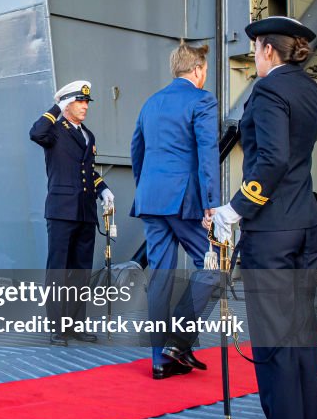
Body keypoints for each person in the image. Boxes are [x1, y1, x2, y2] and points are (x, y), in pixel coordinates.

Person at [210, 15, 317, 419]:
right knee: (300, 329)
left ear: (268, 51)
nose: (253, 56)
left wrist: (234, 210)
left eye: (255, 49)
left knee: (274, 334)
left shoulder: (269, 90)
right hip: (306, 225)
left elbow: (272, 159)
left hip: (273, 230)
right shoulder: (311, 90)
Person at [131, 42, 220, 379]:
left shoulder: (151, 103)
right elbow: (208, 152)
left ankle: (160, 361)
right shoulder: (201, 100)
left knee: (160, 276)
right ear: (197, 70)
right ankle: (179, 341)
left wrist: (146, 191)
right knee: (212, 266)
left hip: (151, 200)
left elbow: (137, 150)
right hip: (184, 200)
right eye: (205, 70)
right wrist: (211, 202)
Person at [30, 81, 114, 346]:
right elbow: (35, 132)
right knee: (58, 270)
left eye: (87, 102)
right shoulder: (54, 130)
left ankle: (76, 325)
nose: (85, 106)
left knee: (80, 271)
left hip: (85, 211)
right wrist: (56, 107)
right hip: (61, 210)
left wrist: (103, 190)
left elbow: (88, 171)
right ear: (67, 104)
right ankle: (57, 327)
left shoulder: (87, 134)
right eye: (80, 101)